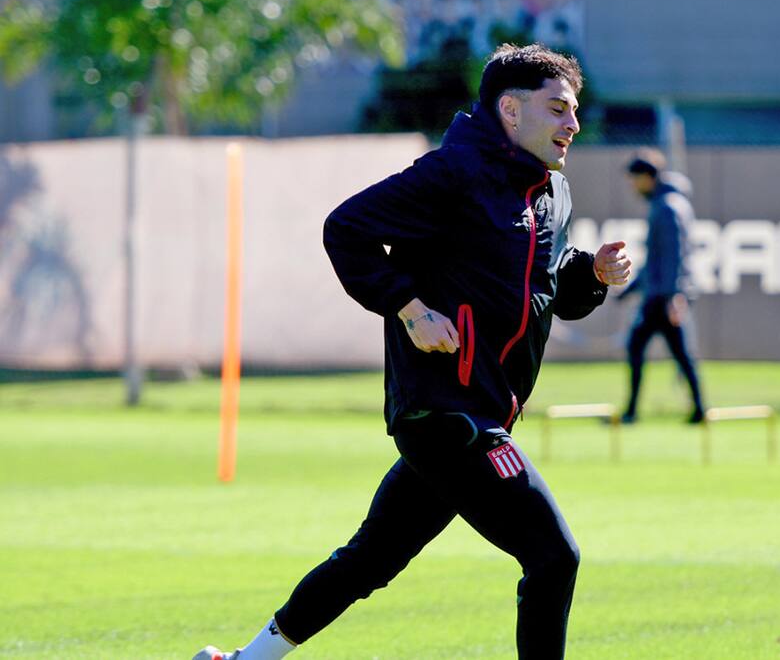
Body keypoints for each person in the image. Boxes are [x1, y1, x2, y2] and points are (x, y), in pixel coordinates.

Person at [194, 43, 631, 660]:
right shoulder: (451, 174)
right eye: (557, 108)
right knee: (553, 556)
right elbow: (345, 229)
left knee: (369, 560)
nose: (573, 124)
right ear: (510, 110)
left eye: (574, 110)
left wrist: (593, 275)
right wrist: (409, 308)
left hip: (480, 413)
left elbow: (550, 291)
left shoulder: (550, 193)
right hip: (448, 416)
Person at [617, 148, 705, 425]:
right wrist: (632, 289)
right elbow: (656, 257)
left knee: (650, 348)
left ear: (646, 176)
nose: (632, 185)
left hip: (664, 296)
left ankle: (633, 412)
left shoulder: (667, 207)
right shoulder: (665, 203)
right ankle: (698, 410)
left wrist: (673, 296)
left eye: (634, 179)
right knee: (675, 353)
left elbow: (673, 254)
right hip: (661, 293)